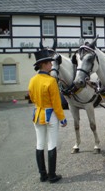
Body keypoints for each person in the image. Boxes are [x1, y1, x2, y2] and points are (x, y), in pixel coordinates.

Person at [28, 49, 67, 183]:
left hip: (37, 114)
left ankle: (43, 175)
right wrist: (62, 118)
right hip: (51, 115)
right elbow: (57, 103)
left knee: (39, 144)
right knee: (51, 144)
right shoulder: (51, 81)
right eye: (49, 63)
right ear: (44, 64)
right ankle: (52, 175)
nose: (51, 65)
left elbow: (32, 98)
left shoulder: (32, 80)